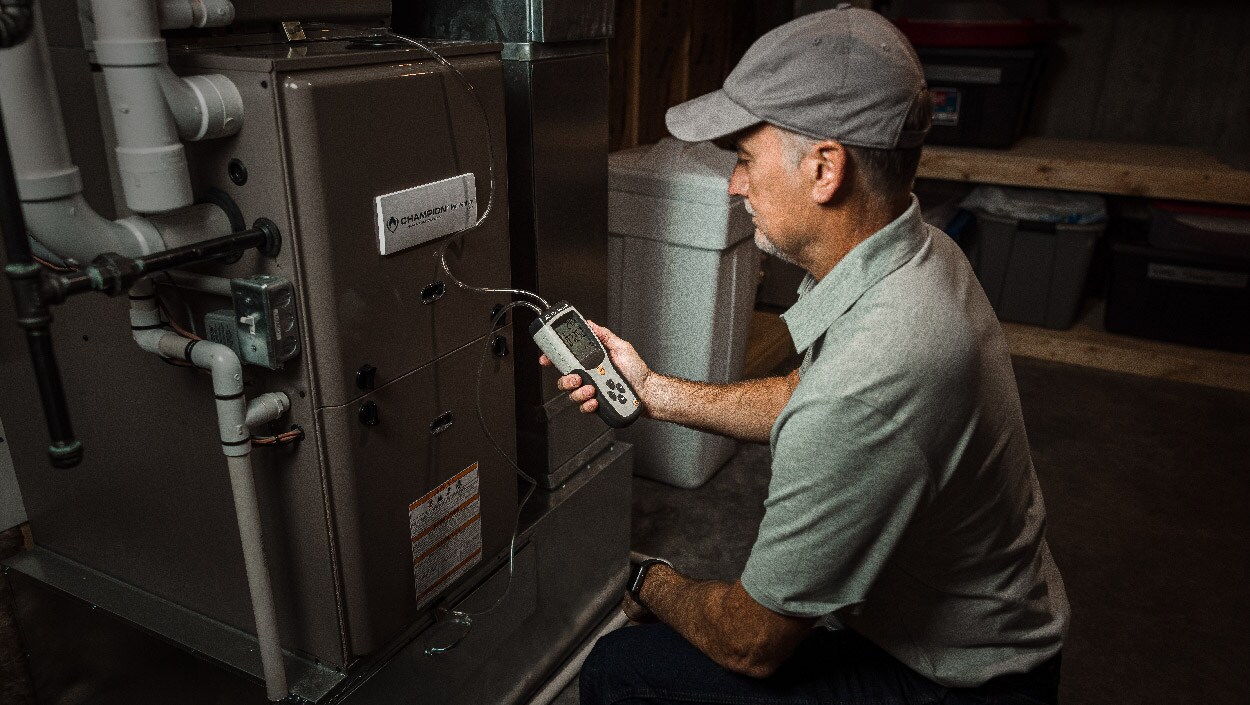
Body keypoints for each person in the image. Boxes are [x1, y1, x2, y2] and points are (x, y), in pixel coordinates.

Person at [542, 6, 1070, 705]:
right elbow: (807, 393)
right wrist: (653, 390)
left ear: (825, 169)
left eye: (744, 158)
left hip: (959, 682)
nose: (734, 185)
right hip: (989, 629)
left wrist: (646, 578)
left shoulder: (876, 375)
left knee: (620, 667)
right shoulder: (922, 254)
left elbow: (748, 642)